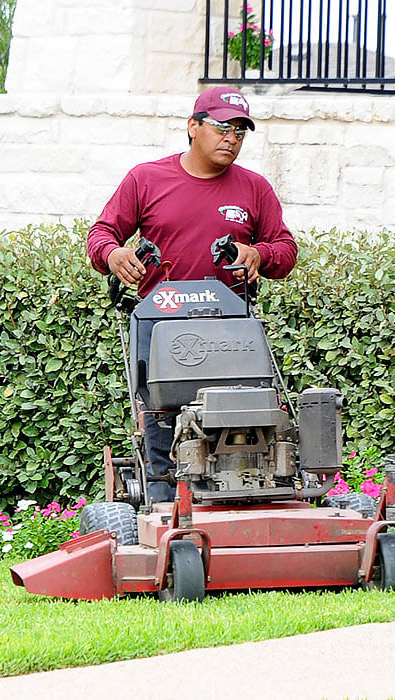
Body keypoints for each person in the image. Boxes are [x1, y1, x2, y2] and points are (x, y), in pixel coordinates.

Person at [85, 86, 298, 502]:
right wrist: (113, 255)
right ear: (193, 127)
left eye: (240, 131)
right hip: (160, 322)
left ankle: (245, 500)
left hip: (231, 326)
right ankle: (165, 508)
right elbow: (102, 233)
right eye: (222, 127)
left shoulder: (254, 188)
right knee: (162, 423)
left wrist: (258, 253)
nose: (231, 138)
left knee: (241, 422)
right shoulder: (146, 179)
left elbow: (286, 251)